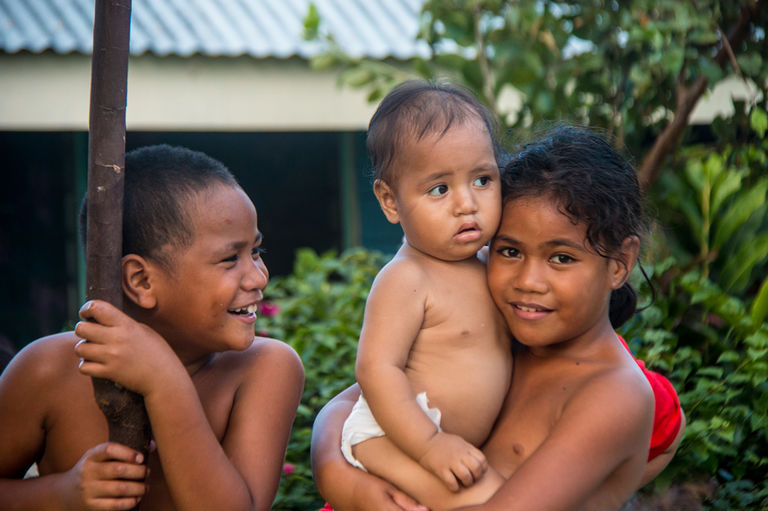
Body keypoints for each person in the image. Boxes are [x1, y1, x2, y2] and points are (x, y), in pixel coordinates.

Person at [312, 126, 684, 511]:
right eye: (509, 252)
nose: (528, 282)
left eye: (561, 258)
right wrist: (338, 475)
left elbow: (666, 428)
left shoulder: (611, 393)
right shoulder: (496, 324)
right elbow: (353, 403)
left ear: (620, 263)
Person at [0, 145, 304, 511]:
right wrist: (61, 494)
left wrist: (165, 382)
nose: (259, 277)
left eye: (255, 252)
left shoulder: (264, 368)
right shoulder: (49, 369)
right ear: (141, 281)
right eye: (229, 259)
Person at [338, 80, 512, 510]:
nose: (467, 203)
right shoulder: (406, 277)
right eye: (439, 189)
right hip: (392, 439)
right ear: (389, 201)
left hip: (447, 446)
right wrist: (431, 444)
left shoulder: (493, 263)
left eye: (482, 179)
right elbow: (376, 369)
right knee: (491, 499)